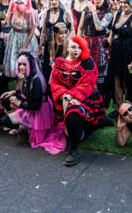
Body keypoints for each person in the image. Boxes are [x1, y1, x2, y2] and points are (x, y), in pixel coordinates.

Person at [51, 36, 107, 166]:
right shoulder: (59, 62)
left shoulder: (88, 62)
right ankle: (89, 128)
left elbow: (87, 84)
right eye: (73, 47)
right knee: (72, 120)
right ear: (67, 48)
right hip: (64, 96)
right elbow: (55, 83)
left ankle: (74, 149)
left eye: (79, 48)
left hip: (84, 96)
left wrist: (70, 97)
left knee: (74, 114)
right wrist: (64, 96)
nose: (76, 50)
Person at [108, 0, 132, 105]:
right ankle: (120, 109)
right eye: (121, 2)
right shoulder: (117, 13)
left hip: (129, 55)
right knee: (116, 80)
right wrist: (109, 43)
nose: (122, 4)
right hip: (116, 54)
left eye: (125, 2)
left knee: (127, 81)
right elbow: (112, 32)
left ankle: (129, 108)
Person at [2, 0, 39, 78]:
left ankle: (27, 81)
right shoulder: (12, 10)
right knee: (13, 59)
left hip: (26, 38)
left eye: (21, 3)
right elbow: (5, 23)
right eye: (16, 3)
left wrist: (24, 47)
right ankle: (14, 78)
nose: (18, 5)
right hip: (14, 38)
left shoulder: (31, 13)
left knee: (25, 61)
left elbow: (31, 32)